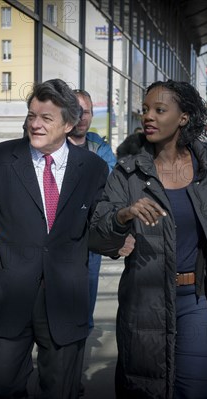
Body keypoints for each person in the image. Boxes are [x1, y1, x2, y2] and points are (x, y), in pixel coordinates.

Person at [89, 80, 207, 399]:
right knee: (148, 390)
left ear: (184, 117)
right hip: (145, 302)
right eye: (145, 109)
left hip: (200, 301)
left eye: (159, 110)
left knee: (193, 391)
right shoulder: (127, 174)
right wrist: (122, 216)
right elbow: (97, 236)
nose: (148, 116)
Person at [0, 78, 109, 398]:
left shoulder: (93, 168)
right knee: (3, 388)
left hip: (66, 300)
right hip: (9, 297)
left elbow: (97, 231)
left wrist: (119, 231)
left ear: (68, 124)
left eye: (46, 118)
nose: (35, 125)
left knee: (60, 391)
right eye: (31, 116)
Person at [68, 89, 116, 332]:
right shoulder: (55, 142)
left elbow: (109, 181)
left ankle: (81, 333)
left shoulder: (99, 146)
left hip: (89, 233)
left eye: (86, 112)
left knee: (87, 290)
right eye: (77, 111)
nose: (82, 117)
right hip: (59, 234)